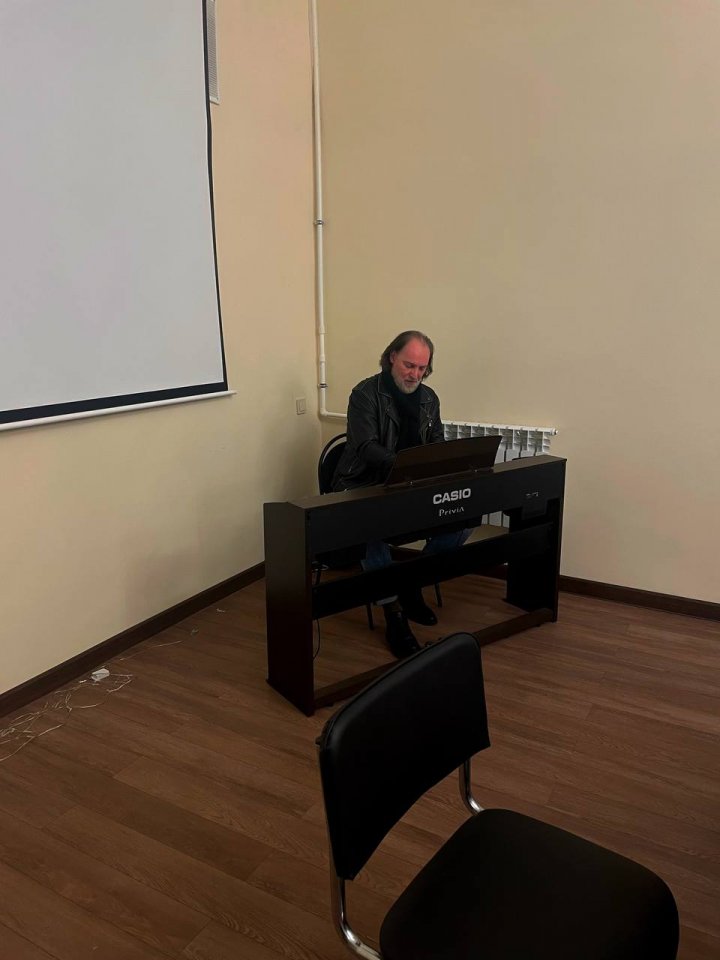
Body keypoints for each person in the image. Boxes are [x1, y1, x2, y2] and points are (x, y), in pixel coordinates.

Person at [332, 330, 469, 657]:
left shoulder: (429, 399)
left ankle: (410, 585)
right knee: (370, 528)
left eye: (422, 368)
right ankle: (393, 610)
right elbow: (366, 447)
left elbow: (436, 443)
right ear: (392, 357)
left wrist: (441, 466)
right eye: (409, 365)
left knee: (462, 520)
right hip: (364, 484)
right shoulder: (365, 394)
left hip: (410, 485)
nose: (415, 374)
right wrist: (407, 465)